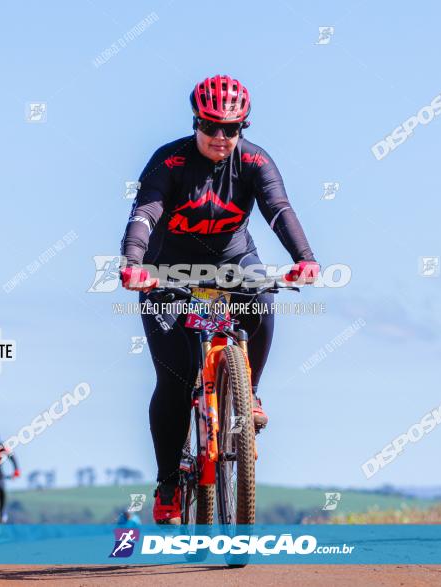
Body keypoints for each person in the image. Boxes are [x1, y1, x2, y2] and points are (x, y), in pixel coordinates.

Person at [119, 74, 320, 524]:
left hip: (233, 262)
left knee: (263, 298)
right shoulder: (168, 162)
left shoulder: (254, 161)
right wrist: (133, 263)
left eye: (232, 128)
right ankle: (169, 483)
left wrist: (304, 258)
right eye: (211, 126)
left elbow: (278, 208)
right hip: (166, 270)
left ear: (242, 128)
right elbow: (145, 213)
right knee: (175, 376)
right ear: (196, 122)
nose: (221, 137)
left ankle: (250, 398)